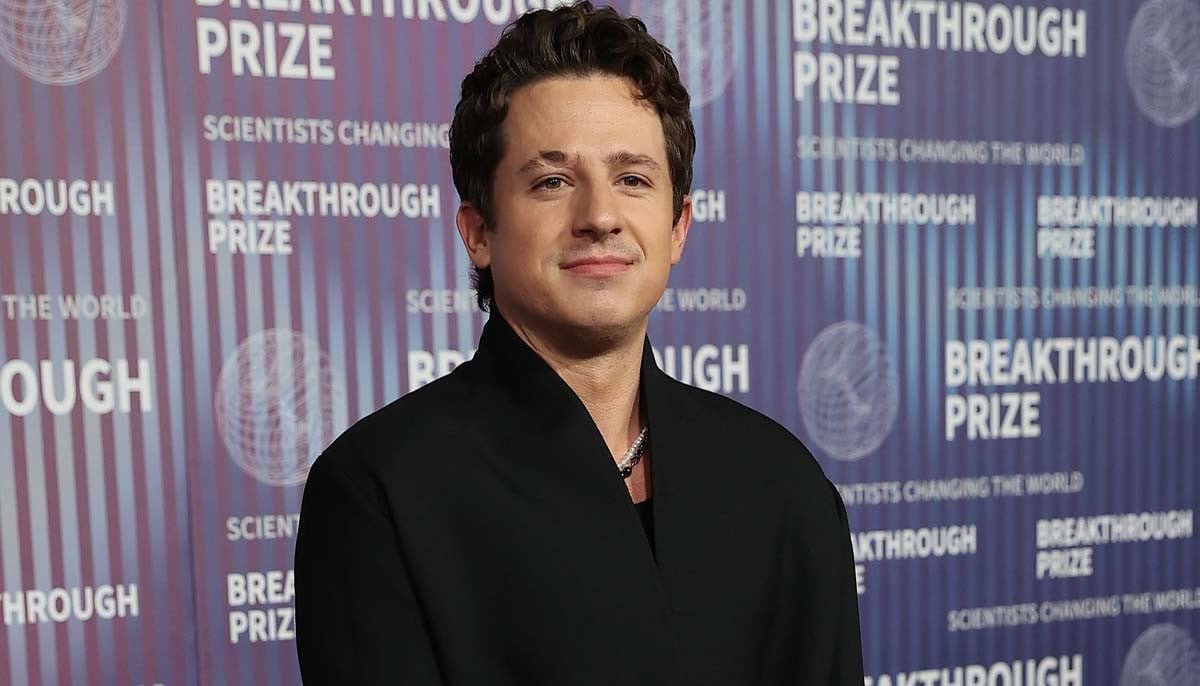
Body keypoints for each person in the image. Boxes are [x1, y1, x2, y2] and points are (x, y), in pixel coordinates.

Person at [294, 3, 864, 683]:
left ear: (678, 227)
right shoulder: (378, 493)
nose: (599, 216)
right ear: (479, 232)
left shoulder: (784, 486)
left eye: (633, 179)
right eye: (552, 181)